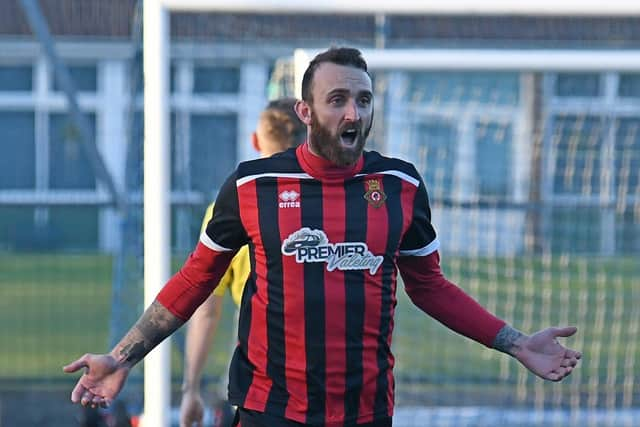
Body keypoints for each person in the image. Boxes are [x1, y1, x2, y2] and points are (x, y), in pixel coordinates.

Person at [64, 47, 581, 427]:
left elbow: (430, 286)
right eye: (337, 100)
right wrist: (122, 357)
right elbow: (197, 278)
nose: (353, 113)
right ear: (305, 112)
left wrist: (515, 343)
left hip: (366, 411)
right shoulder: (253, 185)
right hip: (270, 409)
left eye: (363, 99)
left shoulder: (399, 185)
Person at [180, 98, 306, 427]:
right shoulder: (332, 202)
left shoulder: (233, 206)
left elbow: (206, 308)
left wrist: (190, 387)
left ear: (255, 141)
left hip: (260, 368)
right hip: (331, 374)